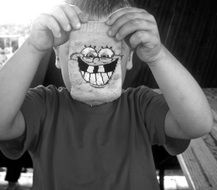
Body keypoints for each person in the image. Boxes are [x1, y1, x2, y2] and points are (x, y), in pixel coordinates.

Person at [0, 0, 214, 190]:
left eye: (109, 52)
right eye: (83, 52)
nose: (96, 63)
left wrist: (157, 56)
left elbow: (198, 125)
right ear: (58, 57)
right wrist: (33, 47)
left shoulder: (140, 104)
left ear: (128, 60)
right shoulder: (44, 105)